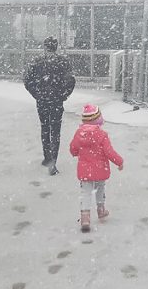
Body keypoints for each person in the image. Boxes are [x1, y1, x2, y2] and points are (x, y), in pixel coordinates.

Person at [23, 35, 75, 175]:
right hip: (57, 101)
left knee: (45, 127)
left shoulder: (37, 61)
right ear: (56, 47)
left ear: (45, 47)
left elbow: (27, 80)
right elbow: (71, 81)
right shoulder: (63, 62)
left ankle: (47, 157)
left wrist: (37, 94)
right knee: (55, 130)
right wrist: (63, 95)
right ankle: (53, 162)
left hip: (42, 101)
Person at [69, 104, 123, 233]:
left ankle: (85, 218)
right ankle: (101, 210)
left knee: (85, 193)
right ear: (98, 119)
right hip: (100, 169)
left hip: (85, 170)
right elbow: (109, 152)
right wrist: (119, 162)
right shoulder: (102, 135)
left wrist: (76, 152)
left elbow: (73, 148)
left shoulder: (79, 134)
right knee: (100, 189)